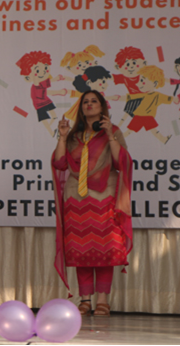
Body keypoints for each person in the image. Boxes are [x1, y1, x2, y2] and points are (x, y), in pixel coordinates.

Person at [52, 90, 133, 317]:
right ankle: (85, 300)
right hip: (76, 199)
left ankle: (103, 301)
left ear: (102, 106)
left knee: (104, 250)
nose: (89, 104)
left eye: (93, 101)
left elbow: (121, 162)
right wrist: (62, 137)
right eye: (85, 102)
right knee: (81, 250)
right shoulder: (74, 136)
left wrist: (109, 135)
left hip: (104, 197)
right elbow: (59, 163)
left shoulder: (113, 131)